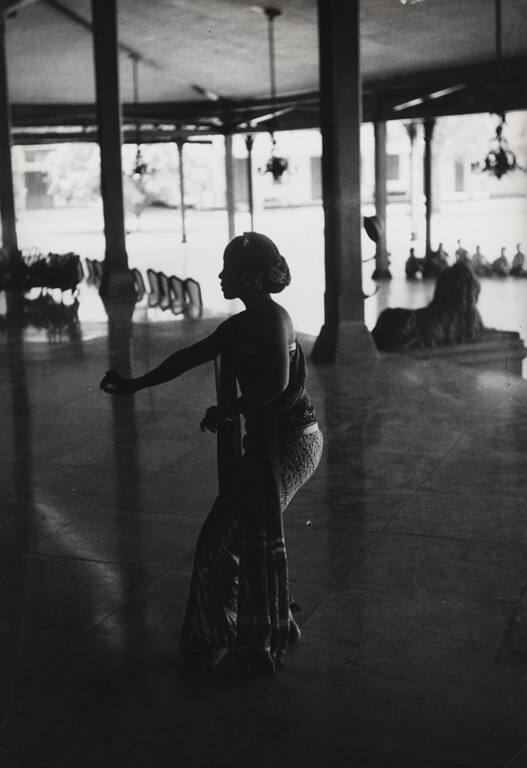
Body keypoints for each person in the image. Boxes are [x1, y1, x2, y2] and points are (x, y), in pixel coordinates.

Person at [100, 232, 323, 676]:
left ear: (253, 278)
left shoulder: (275, 320)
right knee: (239, 533)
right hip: (267, 444)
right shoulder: (238, 327)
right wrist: (134, 385)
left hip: (294, 443)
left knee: (224, 535)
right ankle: (253, 623)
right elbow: (186, 358)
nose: (221, 276)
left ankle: (224, 635)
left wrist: (228, 410)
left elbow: (276, 384)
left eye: (229, 270)